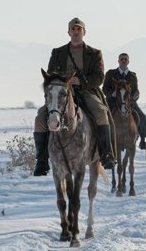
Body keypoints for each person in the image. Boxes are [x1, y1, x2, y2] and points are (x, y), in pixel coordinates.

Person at [32, 17, 117, 176]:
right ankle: (42, 160)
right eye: (73, 29)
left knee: (100, 112)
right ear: (68, 32)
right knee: (40, 117)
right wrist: (64, 82)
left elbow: (99, 77)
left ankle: (106, 154)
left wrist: (80, 81)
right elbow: (50, 76)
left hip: (86, 91)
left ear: (84, 32)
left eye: (79, 29)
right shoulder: (57, 53)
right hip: (62, 93)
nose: (76, 32)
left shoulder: (95, 53)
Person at [103, 53, 146, 149]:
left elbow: (136, 89)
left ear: (128, 62)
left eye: (125, 59)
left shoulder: (132, 76)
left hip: (129, 102)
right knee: (104, 119)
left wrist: (136, 95)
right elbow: (104, 89)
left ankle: (143, 140)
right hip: (113, 102)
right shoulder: (110, 73)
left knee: (143, 118)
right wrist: (112, 94)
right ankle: (104, 142)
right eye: (122, 59)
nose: (123, 61)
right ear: (118, 61)